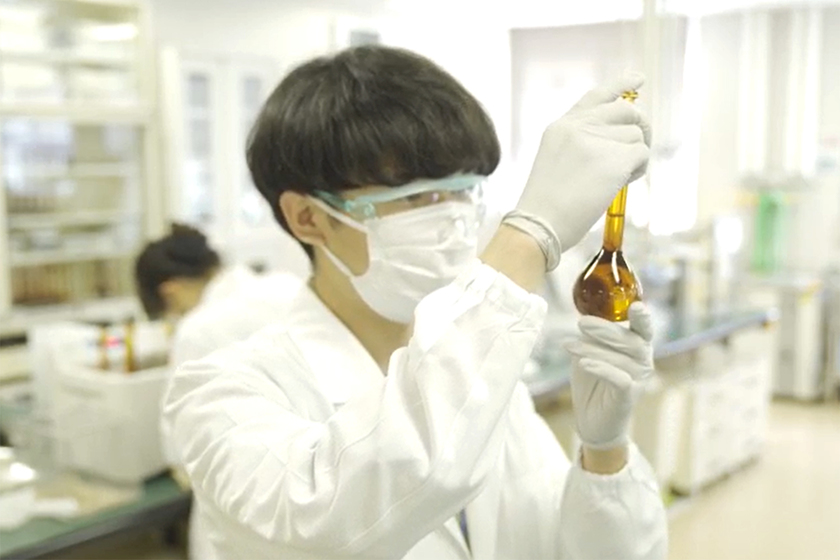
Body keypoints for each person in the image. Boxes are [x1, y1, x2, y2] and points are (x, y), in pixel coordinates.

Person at [163, 46, 667, 559]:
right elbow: (337, 523)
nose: (452, 218)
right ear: (308, 218)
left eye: (463, 189)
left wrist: (604, 453)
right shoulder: (222, 397)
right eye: (418, 196)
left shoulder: (491, 383)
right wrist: (529, 238)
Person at [135, 224, 302, 559]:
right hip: (316, 491)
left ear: (169, 292)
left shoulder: (199, 328)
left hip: (246, 514)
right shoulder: (290, 286)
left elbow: (180, 448)